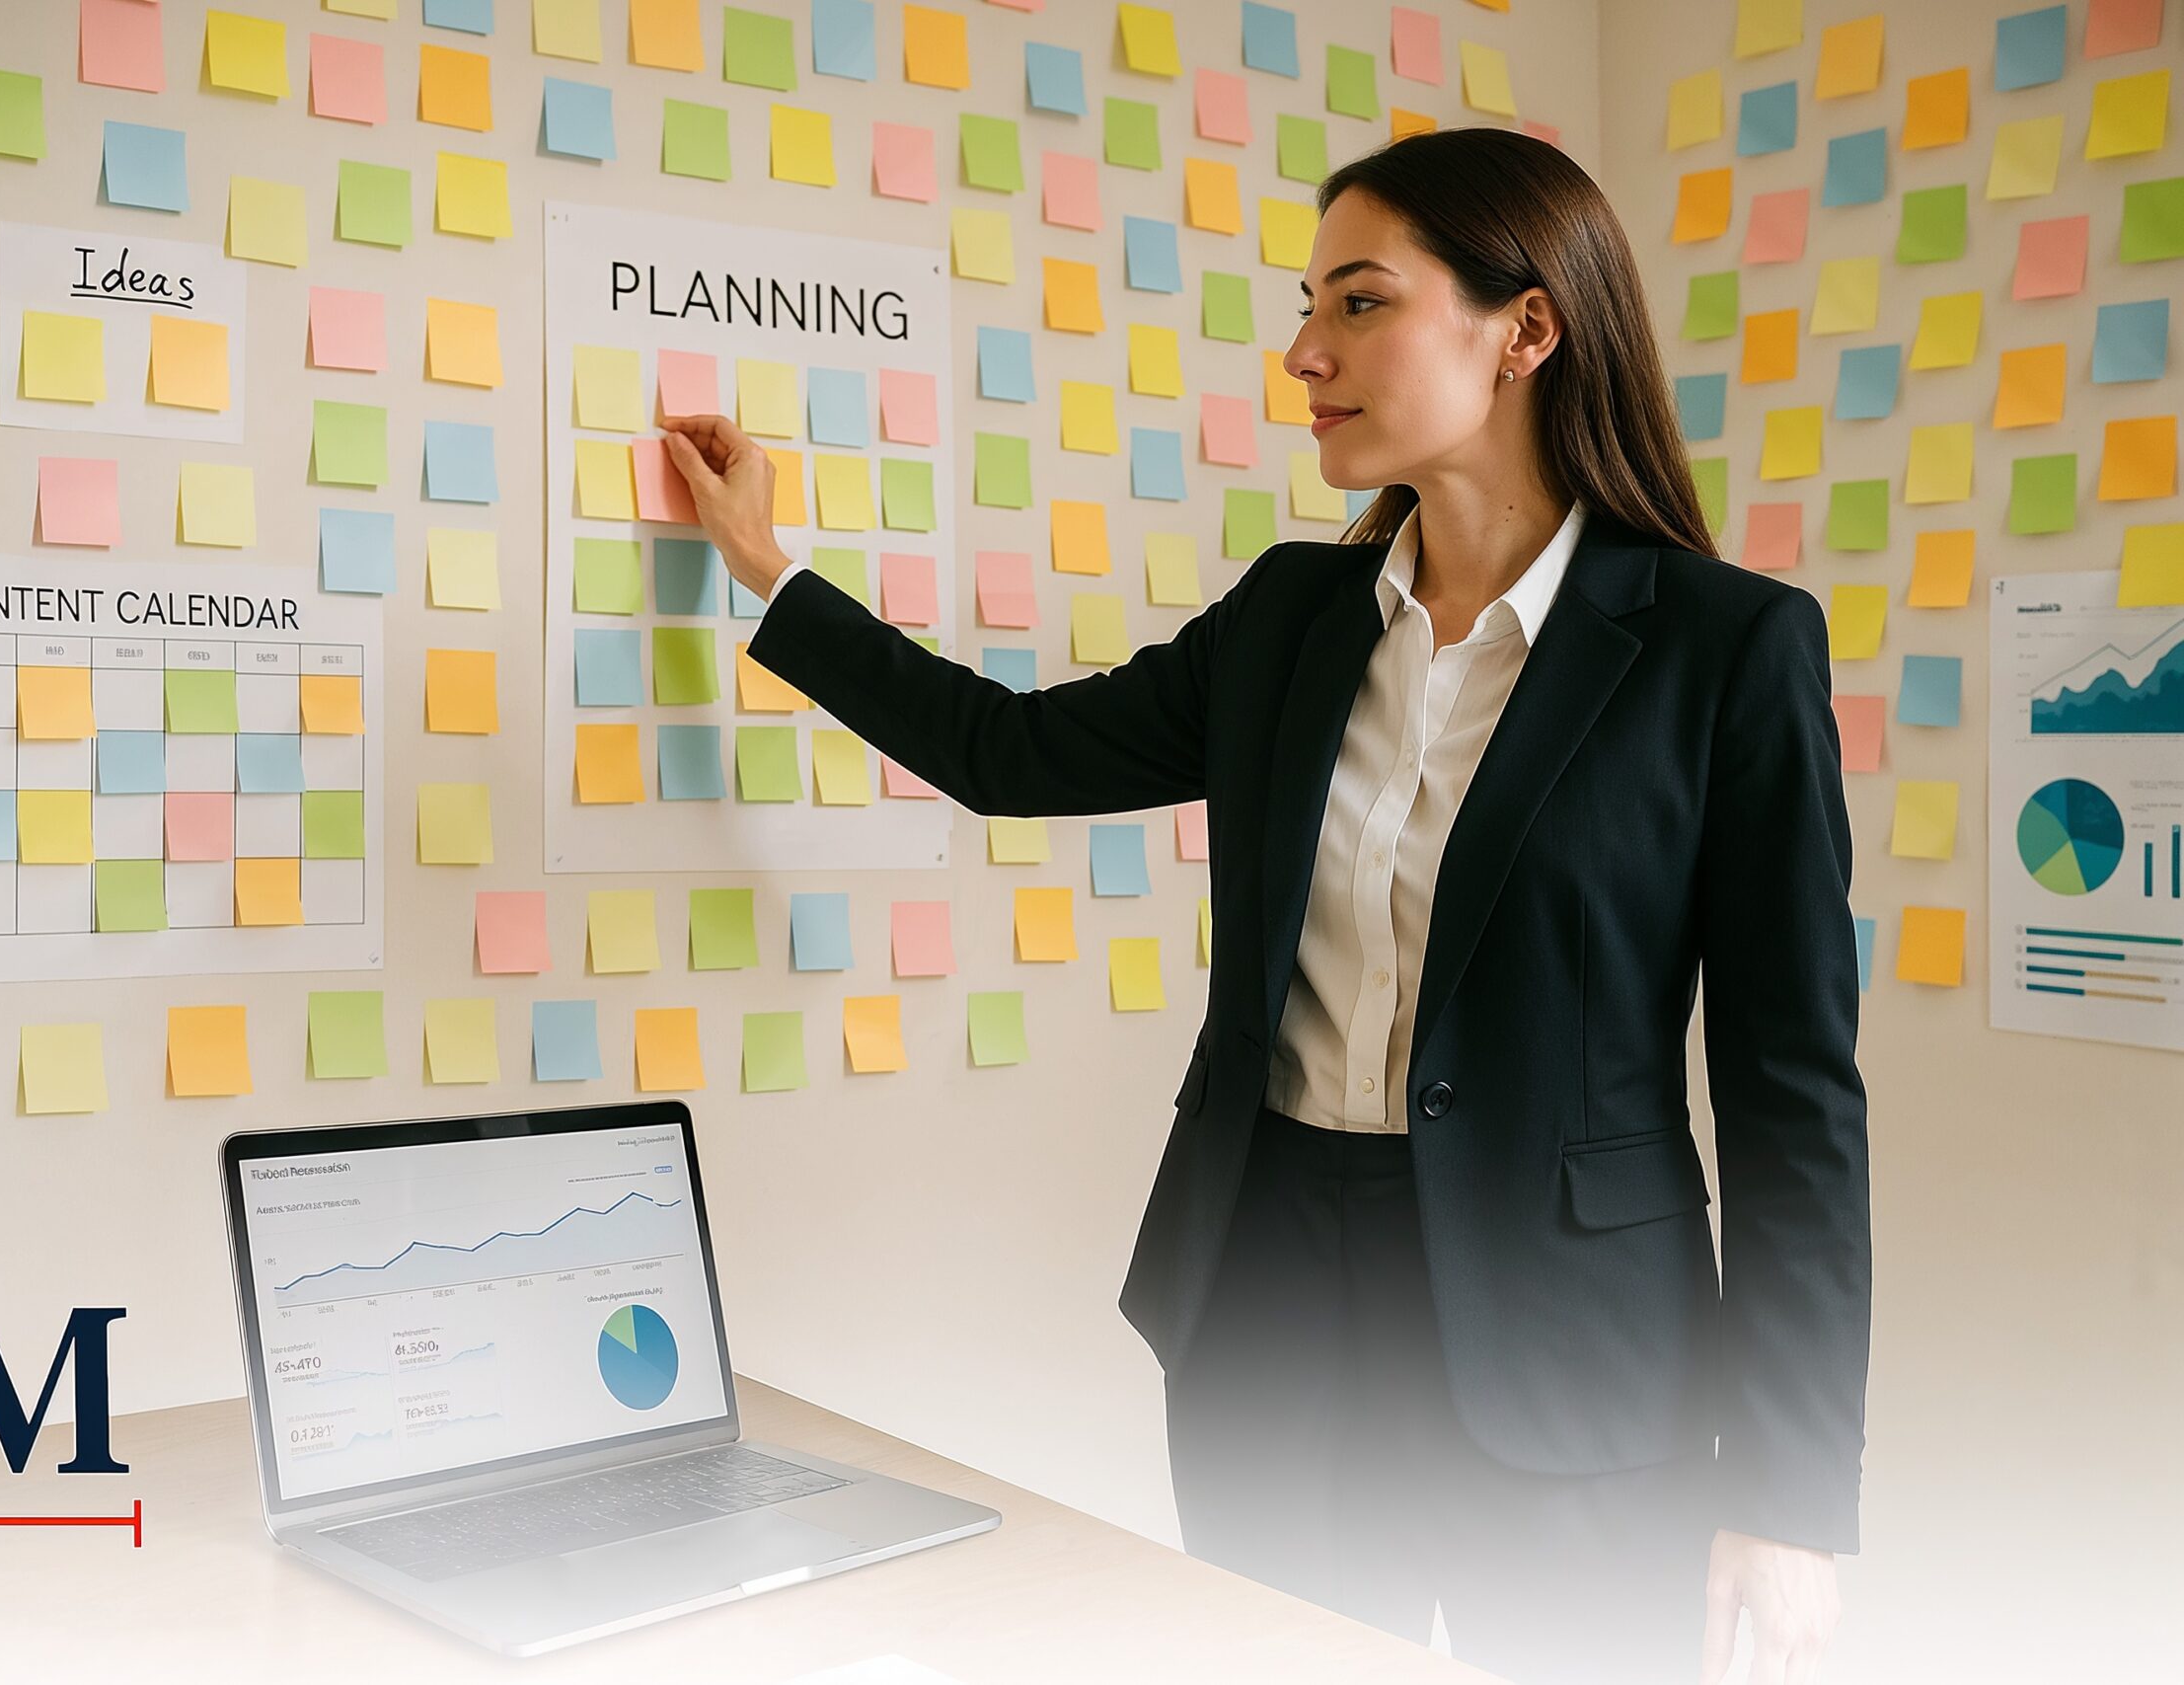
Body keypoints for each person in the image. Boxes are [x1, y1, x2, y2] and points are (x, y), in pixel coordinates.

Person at [659, 126, 1869, 1685]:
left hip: (1577, 1362)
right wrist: (765, 568)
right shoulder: (1292, 618)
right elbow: (1010, 756)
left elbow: (1794, 1102)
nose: (1306, 352)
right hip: (1271, 1305)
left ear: (1527, 326)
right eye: (1308, 307)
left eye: (1359, 304)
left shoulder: (1727, 650)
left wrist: (1789, 1496)